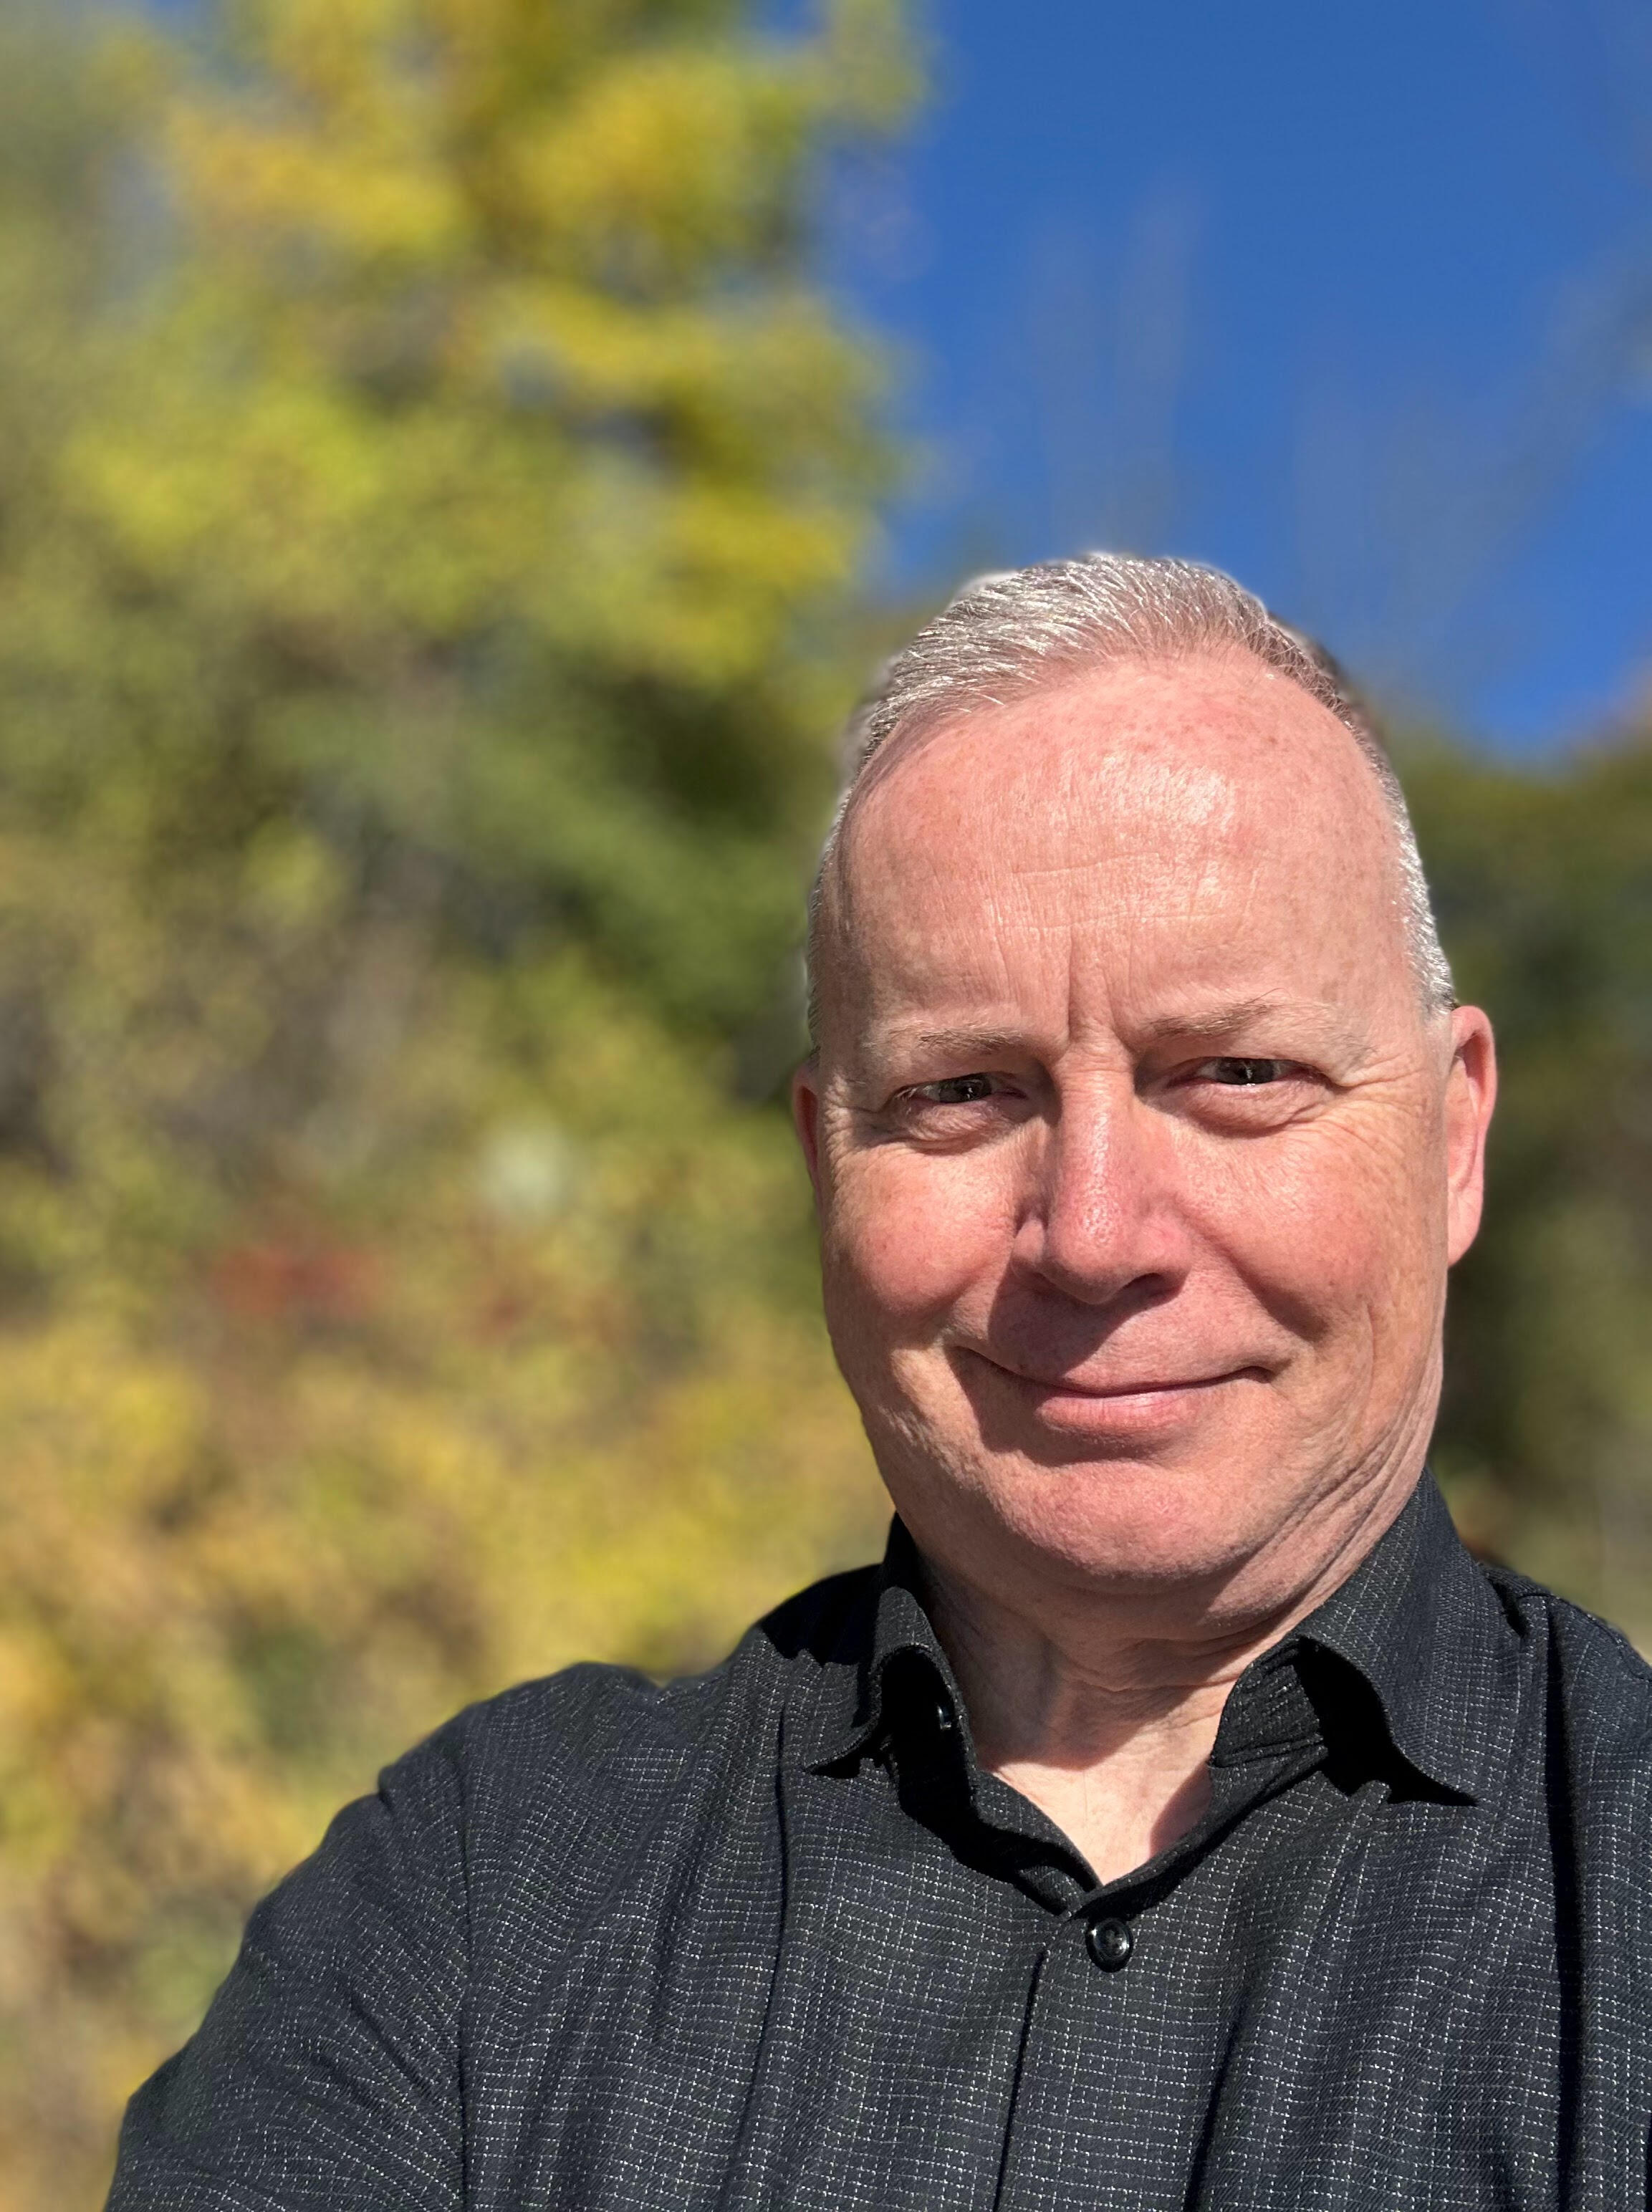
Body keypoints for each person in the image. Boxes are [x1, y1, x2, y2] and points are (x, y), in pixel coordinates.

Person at [108, 556, 1652, 2211]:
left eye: (1235, 1072)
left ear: (1454, 1128)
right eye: (963, 1091)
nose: (1094, 1230)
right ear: (818, 1162)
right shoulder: (478, 1903)